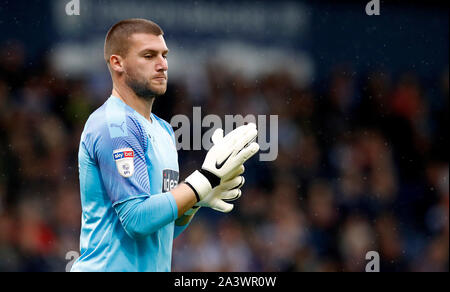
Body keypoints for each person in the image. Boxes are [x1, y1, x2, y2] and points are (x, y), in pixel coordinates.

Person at [70, 18, 259, 272]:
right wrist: (203, 180)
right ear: (118, 63)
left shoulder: (164, 131)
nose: (162, 65)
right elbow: (136, 219)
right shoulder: (113, 125)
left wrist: (194, 201)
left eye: (164, 55)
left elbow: (161, 227)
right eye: (149, 56)